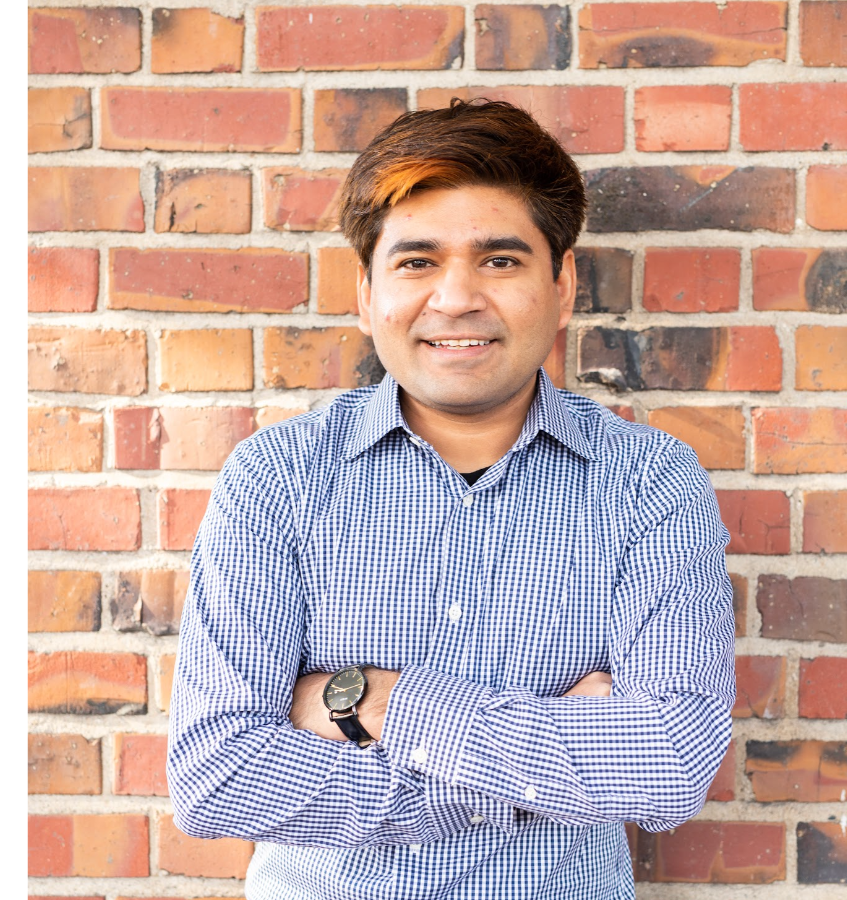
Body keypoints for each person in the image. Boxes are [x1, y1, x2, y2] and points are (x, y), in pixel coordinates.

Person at [166, 99, 737, 900]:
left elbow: (671, 765)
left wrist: (379, 699)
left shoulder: (649, 483)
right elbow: (218, 775)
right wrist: (535, 774)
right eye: (417, 262)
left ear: (562, 283)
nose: (458, 298)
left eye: (500, 261)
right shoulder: (279, 478)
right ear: (366, 292)